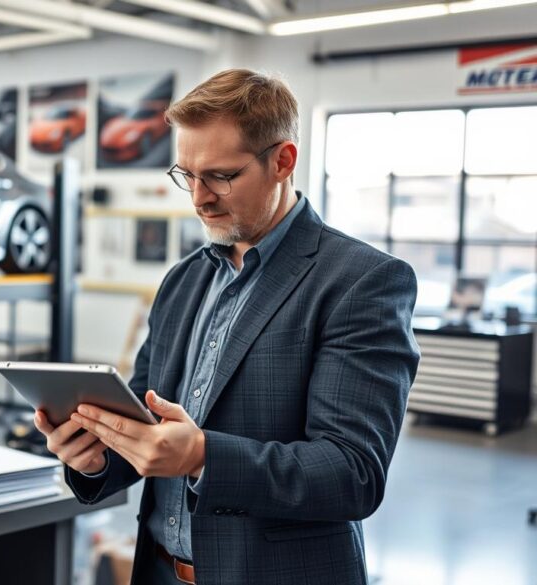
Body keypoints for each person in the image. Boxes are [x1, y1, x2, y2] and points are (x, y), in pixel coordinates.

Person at [34, 69, 420, 585]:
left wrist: (201, 455)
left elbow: (352, 473)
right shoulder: (183, 280)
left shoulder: (362, 282)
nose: (198, 198)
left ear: (283, 162)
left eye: (221, 176)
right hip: (160, 571)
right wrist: (97, 454)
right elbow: (149, 426)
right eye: (186, 175)